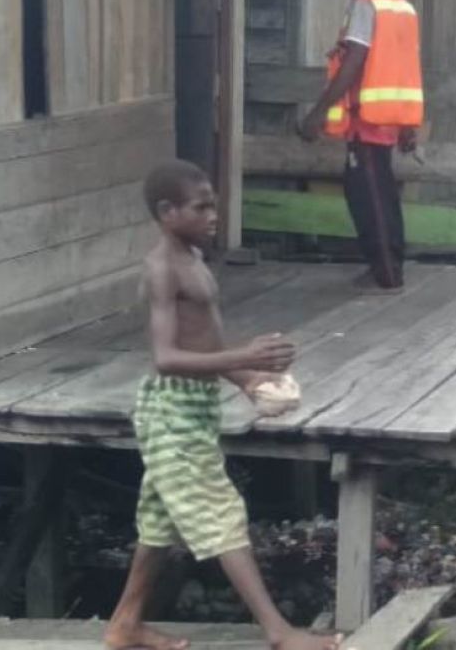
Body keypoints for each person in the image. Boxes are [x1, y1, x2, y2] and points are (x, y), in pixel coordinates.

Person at [105, 161, 339, 650]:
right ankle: (278, 632)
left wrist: (248, 378)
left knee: (159, 520)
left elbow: (203, 342)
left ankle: (125, 624)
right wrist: (245, 354)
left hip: (198, 404)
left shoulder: (193, 256)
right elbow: (166, 357)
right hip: (170, 411)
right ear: (167, 212)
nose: (213, 214)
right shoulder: (162, 267)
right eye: (202, 206)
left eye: (213, 203)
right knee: (222, 512)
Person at [299, 0, 424, 292]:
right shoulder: (400, 4)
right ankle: (388, 264)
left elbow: (354, 60)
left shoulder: (366, 2)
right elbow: (404, 67)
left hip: (366, 119)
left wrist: (318, 112)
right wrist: (406, 125)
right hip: (388, 117)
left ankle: (386, 271)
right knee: (382, 194)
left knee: (369, 196)